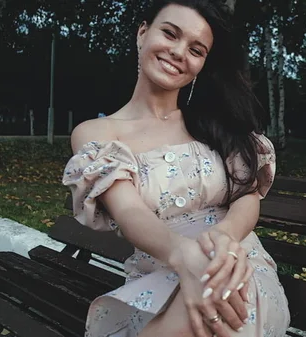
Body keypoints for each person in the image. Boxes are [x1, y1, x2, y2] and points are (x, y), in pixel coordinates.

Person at [61, 1, 290, 336]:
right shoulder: (97, 135)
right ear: (143, 33)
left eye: (196, 49)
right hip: (157, 279)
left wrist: (224, 238)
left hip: (237, 263)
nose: (179, 52)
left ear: (201, 64)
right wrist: (185, 256)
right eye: (170, 33)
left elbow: (246, 195)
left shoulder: (215, 125)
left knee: (220, 293)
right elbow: (130, 212)